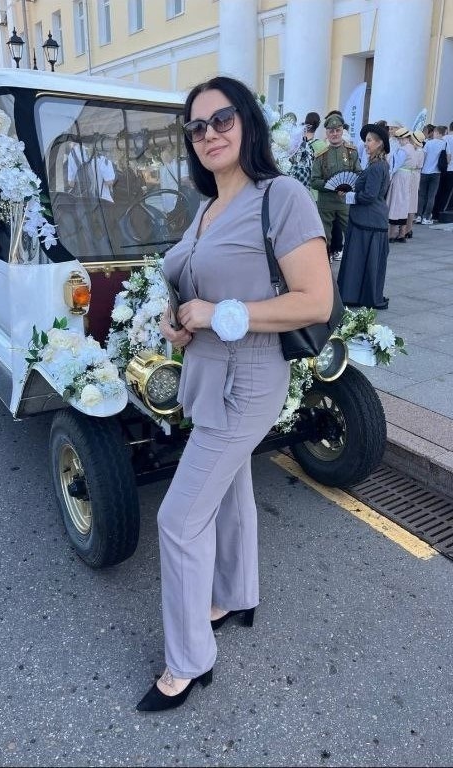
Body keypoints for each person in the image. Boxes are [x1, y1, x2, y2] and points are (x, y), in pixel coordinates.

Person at [135, 75, 332, 712]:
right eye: (196, 127)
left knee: (177, 519)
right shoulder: (205, 209)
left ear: (247, 122)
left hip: (248, 377)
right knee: (228, 488)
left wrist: (219, 314)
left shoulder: (281, 196)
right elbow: (190, 286)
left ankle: (188, 661)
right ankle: (236, 594)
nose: (209, 134)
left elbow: (315, 300)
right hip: (206, 373)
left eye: (221, 119)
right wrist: (176, 321)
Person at [336, 123, 391, 310]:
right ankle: (357, 294)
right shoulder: (378, 164)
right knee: (362, 260)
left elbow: (369, 196)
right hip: (370, 220)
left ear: (379, 143)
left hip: (368, 220)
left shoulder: (376, 167)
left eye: (369, 141)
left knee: (360, 259)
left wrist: (349, 196)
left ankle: (356, 295)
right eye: (366, 140)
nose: (366, 144)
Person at [310, 110, 361, 262]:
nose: (334, 134)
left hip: (345, 201)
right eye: (331, 131)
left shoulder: (352, 152)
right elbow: (314, 181)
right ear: (326, 133)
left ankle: (353, 262)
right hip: (326, 202)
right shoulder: (321, 155)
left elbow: (359, 174)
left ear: (342, 130)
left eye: (337, 130)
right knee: (324, 236)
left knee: (351, 232)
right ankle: (324, 262)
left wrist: (348, 188)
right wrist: (331, 186)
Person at [415, 125, 447, 225]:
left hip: (424, 171)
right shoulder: (444, 144)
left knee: (421, 195)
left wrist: (421, 168)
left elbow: (423, 156)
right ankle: (426, 217)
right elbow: (448, 158)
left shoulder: (428, 143)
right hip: (436, 172)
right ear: (442, 134)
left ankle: (418, 216)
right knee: (431, 196)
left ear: (436, 132)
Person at [386, 127, 414, 242]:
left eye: (400, 139)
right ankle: (402, 233)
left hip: (400, 177)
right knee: (404, 204)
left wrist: (389, 176)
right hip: (408, 177)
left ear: (405, 138)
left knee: (395, 203)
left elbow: (395, 165)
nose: (399, 141)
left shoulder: (403, 150)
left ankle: (392, 234)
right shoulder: (412, 148)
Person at [405, 130, 425, 238]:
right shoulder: (418, 151)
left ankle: (408, 229)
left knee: (411, 202)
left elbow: (415, 164)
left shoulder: (418, 151)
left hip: (413, 175)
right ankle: (408, 229)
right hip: (414, 175)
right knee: (411, 202)